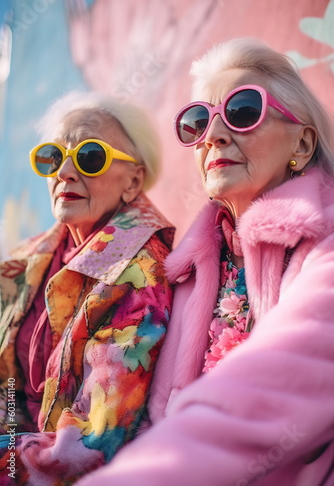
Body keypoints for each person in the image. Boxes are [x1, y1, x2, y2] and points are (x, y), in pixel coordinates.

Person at [77, 38, 334, 486]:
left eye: (241, 111)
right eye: (199, 121)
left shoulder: (325, 240)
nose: (213, 135)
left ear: (304, 141)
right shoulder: (182, 269)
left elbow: (275, 383)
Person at [0, 91, 175, 484]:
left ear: (133, 180)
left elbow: (88, 445)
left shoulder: (141, 275)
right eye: (52, 157)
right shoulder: (27, 260)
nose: (63, 172)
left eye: (89, 157)